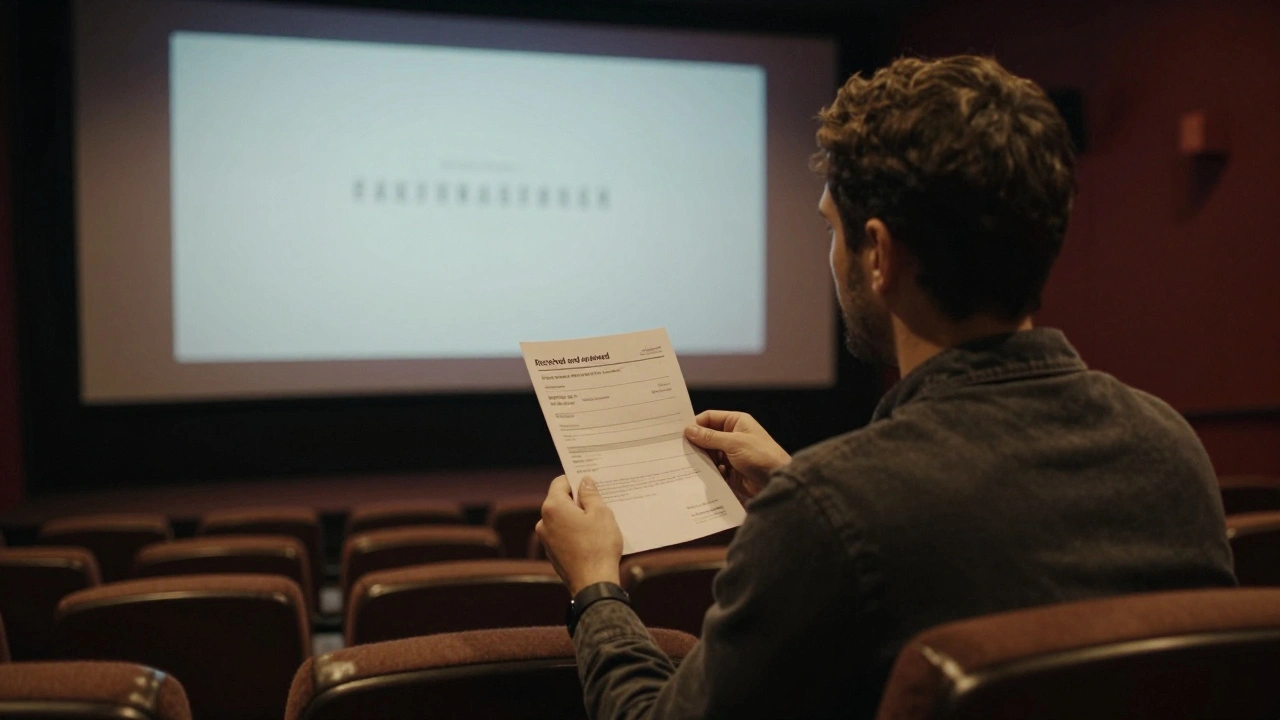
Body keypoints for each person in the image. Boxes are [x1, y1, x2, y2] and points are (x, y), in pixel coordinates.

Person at [535, 55, 1236, 720]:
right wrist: (799, 483)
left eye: (834, 231)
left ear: (880, 254)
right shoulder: (1169, 451)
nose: (832, 257)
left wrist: (595, 587)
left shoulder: (832, 512)